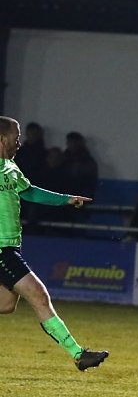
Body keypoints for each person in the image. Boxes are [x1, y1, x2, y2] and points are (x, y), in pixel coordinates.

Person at [0, 116, 108, 370]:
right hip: (1, 248)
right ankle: (78, 354)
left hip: (11, 245)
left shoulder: (10, 168)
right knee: (38, 294)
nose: (19, 143)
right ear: (2, 139)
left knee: (5, 304)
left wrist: (66, 199)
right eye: (16, 137)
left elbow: (29, 191)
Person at [61, 131, 99, 199]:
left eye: (74, 142)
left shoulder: (87, 161)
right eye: (70, 142)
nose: (72, 144)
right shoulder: (62, 158)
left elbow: (90, 182)